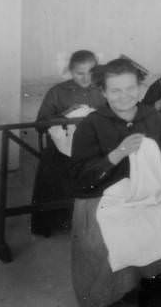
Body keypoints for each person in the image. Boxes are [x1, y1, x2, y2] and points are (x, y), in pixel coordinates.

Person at [68, 57, 161, 307]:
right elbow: (78, 176)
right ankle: (145, 288)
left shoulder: (153, 118)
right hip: (103, 195)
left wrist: (150, 166)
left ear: (140, 89)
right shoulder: (91, 125)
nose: (124, 96)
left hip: (148, 191)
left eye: (130, 89)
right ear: (104, 92)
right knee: (134, 223)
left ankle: (155, 287)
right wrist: (117, 154)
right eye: (115, 90)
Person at [31, 49, 105, 237]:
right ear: (71, 72)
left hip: (95, 146)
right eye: (80, 73)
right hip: (63, 148)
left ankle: (104, 219)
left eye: (90, 72)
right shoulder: (57, 92)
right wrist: (65, 115)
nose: (86, 78)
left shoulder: (103, 89)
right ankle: (48, 222)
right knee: (49, 164)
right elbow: (40, 125)